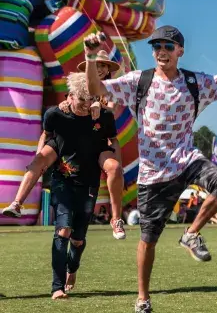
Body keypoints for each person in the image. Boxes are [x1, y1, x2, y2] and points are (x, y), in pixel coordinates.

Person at [84, 26, 217, 313]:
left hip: (186, 160)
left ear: (179, 51)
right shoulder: (139, 81)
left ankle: (191, 233)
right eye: (156, 46)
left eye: (168, 46)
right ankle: (143, 302)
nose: (161, 51)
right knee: (148, 240)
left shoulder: (194, 81)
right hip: (152, 174)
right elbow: (97, 90)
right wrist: (91, 57)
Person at [3, 50, 127, 241]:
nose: (100, 69)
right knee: (39, 160)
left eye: (104, 66)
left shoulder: (110, 89)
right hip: (69, 137)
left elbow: (110, 111)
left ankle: (116, 219)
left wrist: (98, 106)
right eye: (97, 64)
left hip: (97, 139)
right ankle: (17, 204)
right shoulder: (79, 83)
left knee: (115, 168)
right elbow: (68, 102)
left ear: (109, 70)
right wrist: (66, 104)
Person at [41, 74, 117, 299]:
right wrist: (39, 160)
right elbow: (46, 136)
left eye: (89, 99)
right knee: (62, 229)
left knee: (78, 238)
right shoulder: (56, 114)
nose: (85, 104)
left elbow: (113, 141)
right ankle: (57, 287)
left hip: (89, 183)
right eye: (80, 99)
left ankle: (72, 269)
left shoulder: (103, 117)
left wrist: (115, 166)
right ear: (70, 96)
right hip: (62, 180)